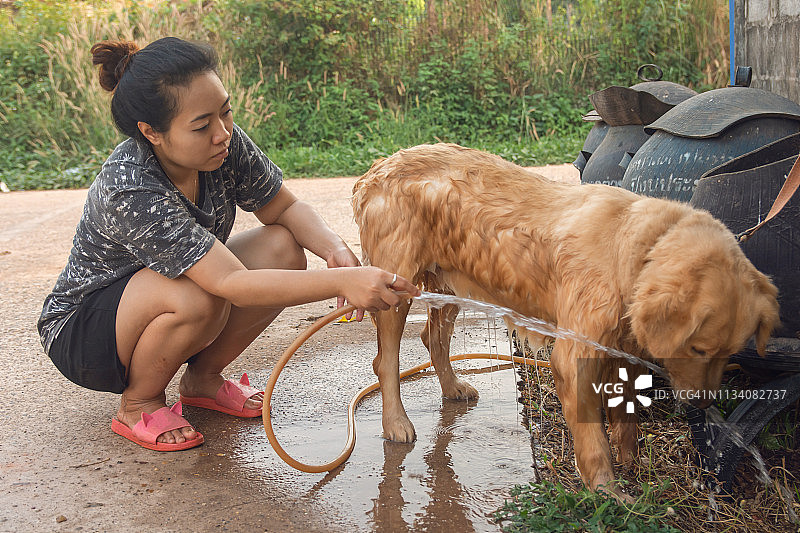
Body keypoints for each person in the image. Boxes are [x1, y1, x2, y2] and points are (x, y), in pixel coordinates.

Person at [37, 37, 419, 452]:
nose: (222, 133)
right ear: (152, 133)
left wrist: (333, 250)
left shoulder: (222, 146)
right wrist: (344, 281)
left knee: (283, 249)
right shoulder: (131, 186)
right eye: (201, 126)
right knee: (200, 296)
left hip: (164, 294)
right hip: (86, 331)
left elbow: (285, 208)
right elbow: (231, 282)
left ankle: (202, 380)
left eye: (226, 112)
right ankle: (139, 403)